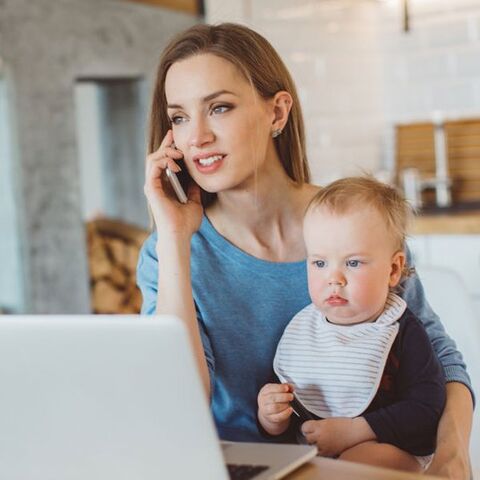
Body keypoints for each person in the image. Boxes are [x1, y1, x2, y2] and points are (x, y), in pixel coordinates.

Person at [137, 23, 474, 479]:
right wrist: (175, 238)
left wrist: (452, 455)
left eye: (219, 108)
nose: (195, 137)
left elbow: (438, 356)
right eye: (179, 117)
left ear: (277, 112)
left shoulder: (359, 224)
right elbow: (173, 402)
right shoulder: (168, 253)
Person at [257, 177, 446, 472]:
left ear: (393, 269)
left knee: (352, 468)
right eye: (319, 263)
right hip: (313, 457)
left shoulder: (399, 330)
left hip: (391, 452)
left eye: (353, 263)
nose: (334, 278)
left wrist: (355, 431)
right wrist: (272, 418)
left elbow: (426, 410)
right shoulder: (304, 330)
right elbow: (294, 411)